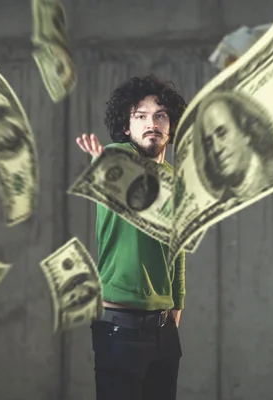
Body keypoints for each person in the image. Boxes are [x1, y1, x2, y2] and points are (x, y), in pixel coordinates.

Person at [75, 75, 187, 400]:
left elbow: (177, 253)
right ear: (127, 127)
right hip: (120, 328)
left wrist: (176, 308)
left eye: (160, 115)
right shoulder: (116, 154)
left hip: (164, 330)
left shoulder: (177, 181)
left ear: (171, 125)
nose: (152, 123)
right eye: (141, 116)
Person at [193, 90, 273, 201]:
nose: (216, 149)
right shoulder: (224, 204)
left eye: (222, 134)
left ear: (246, 132)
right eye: (209, 143)